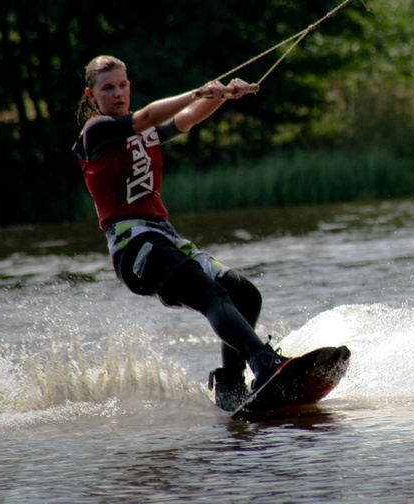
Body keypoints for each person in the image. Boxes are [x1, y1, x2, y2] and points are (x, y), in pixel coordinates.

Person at [72, 54, 289, 411]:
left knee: (244, 294)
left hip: (164, 239)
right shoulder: (96, 130)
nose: (117, 93)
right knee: (212, 296)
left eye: (123, 85)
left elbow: (183, 120)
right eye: (107, 88)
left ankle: (231, 385)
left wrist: (218, 97)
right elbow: (148, 116)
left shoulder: (144, 132)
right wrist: (198, 91)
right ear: (92, 95)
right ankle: (264, 361)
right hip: (135, 249)